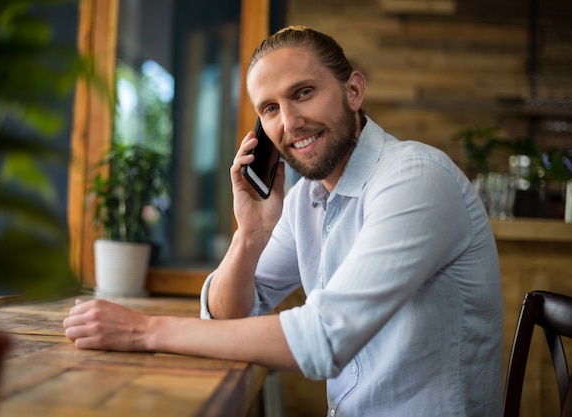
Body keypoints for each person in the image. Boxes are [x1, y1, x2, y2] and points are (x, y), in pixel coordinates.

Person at [64, 26, 503, 416]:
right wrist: (250, 234)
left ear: (353, 91)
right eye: (270, 108)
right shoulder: (305, 200)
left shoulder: (416, 177)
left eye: (303, 93)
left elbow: (324, 338)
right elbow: (228, 318)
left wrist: (144, 331)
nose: (290, 122)